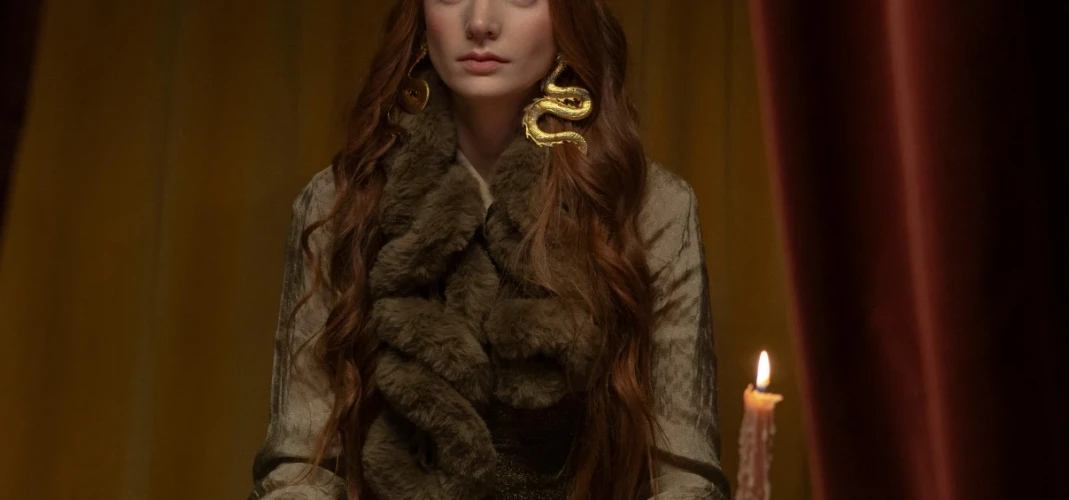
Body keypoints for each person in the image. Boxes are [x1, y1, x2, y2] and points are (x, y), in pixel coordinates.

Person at [249, 1, 726, 498]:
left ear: (567, 16)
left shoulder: (651, 208)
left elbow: (684, 478)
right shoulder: (341, 203)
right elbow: (299, 470)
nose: (479, 23)